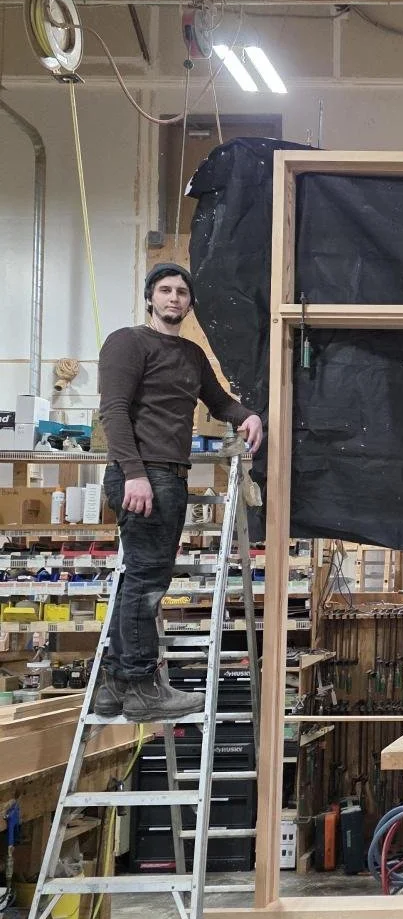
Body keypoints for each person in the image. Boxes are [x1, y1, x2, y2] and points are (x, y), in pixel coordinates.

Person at [95, 263, 263, 721]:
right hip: (142, 475)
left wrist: (247, 415)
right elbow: (113, 412)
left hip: (169, 475)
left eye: (182, 292)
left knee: (138, 579)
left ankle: (116, 683)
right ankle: (144, 687)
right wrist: (133, 473)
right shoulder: (127, 343)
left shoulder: (191, 354)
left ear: (189, 303)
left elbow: (220, 401)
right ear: (150, 297)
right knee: (148, 583)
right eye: (166, 290)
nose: (174, 298)